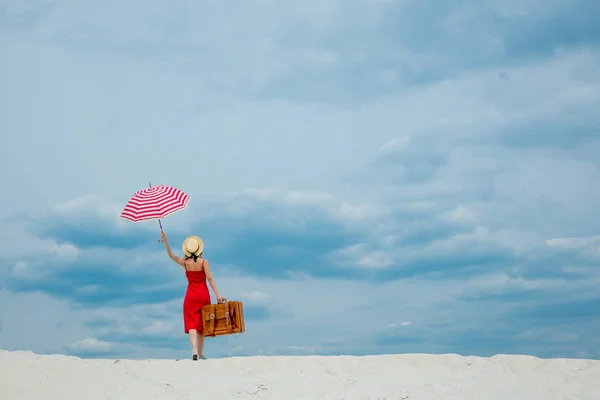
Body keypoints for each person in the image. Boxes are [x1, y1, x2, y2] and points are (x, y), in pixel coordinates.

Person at [160, 230, 223, 360]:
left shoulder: (185, 263)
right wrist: (218, 295)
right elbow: (210, 279)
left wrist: (165, 241)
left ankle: (194, 350)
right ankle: (200, 354)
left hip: (191, 295)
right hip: (203, 294)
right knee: (202, 325)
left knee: (192, 324)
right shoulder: (203, 262)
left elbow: (171, 255)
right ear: (199, 248)